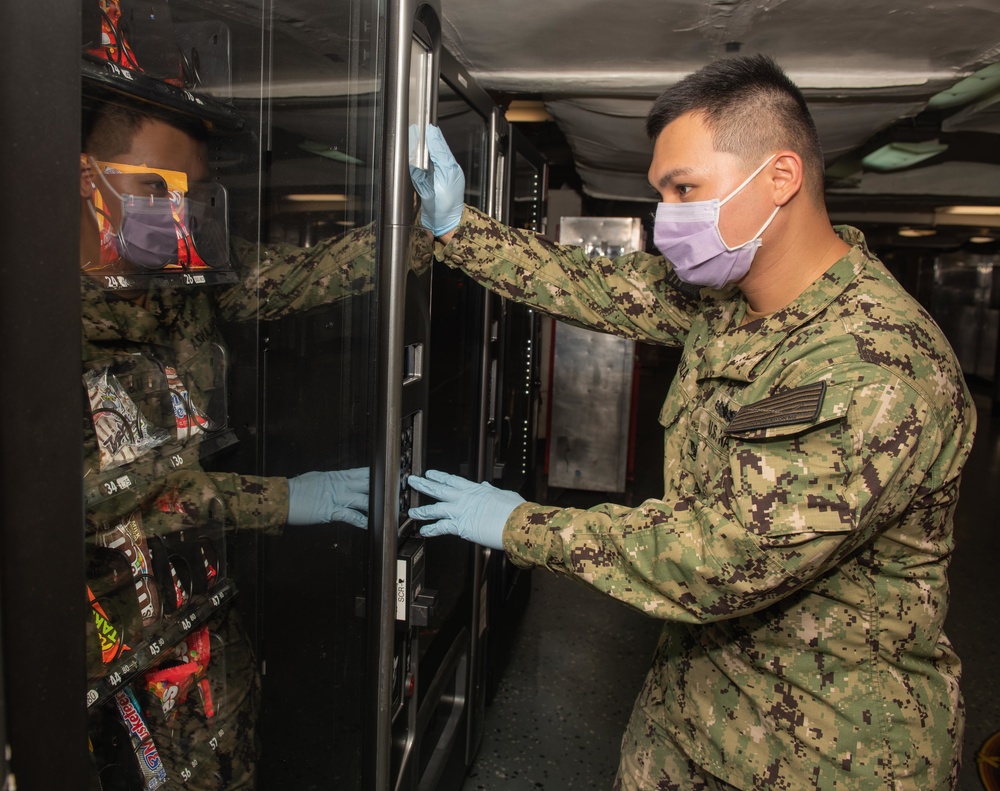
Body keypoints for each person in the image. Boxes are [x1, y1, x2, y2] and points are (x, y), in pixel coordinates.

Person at [407, 55, 975, 790]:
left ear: (781, 178)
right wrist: (457, 228)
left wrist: (522, 526)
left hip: (827, 755)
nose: (666, 217)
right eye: (661, 194)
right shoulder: (731, 300)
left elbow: (720, 558)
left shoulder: (879, 368)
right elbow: (593, 285)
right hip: (692, 714)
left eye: (685, 189)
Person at [80, 101, 403, 788]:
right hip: (86, 616)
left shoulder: (180, 275)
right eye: (152, 189)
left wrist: (426, 232)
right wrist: (283, 499)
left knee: (223, 760)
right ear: (88, 177)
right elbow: (99, 499)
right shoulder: (32, 306)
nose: (175, 212)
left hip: (190, 589)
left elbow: (304, 272)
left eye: (191, 194)